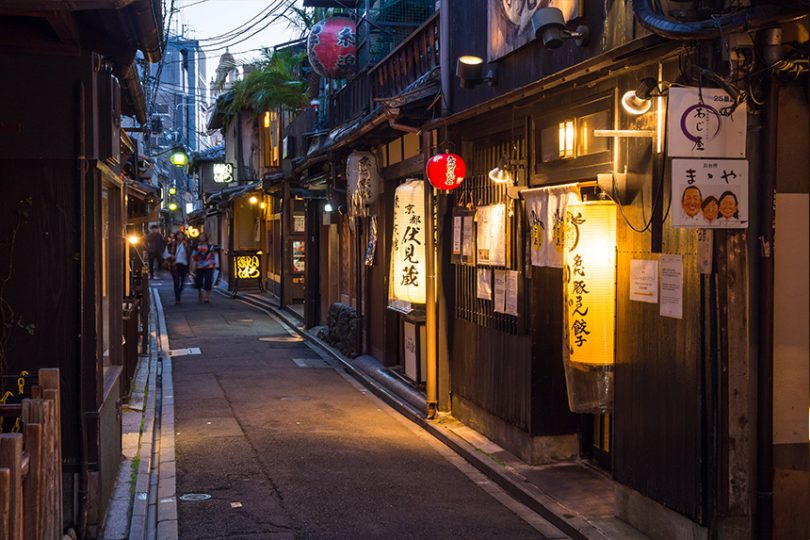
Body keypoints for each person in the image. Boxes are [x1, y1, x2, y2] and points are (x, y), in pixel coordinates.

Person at [191, 233, 219, 303]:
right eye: (200, 237)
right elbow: (193, 256)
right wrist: (197, 254)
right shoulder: (196, 246)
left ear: (206, 238)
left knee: (208, 281)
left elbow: (213, 255)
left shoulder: (210, 246)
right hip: (199, 266)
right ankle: (200, 293)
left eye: (203, 237)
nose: (202, 238)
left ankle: (207, 297)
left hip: (208, 265)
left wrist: (214, 264)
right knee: (199, 282)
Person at [164, 231, 190, 304]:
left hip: (184, 264)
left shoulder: (186, 244)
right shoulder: (171, 244)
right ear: (176, 236)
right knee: (176, 281)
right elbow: (165, 254)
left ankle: (178, 293)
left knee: (182, 282)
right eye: (178, 235)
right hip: (174, 264)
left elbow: (189, 254)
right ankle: (177, 298)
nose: (180, 237)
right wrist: (171, 256)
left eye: (181, 235)